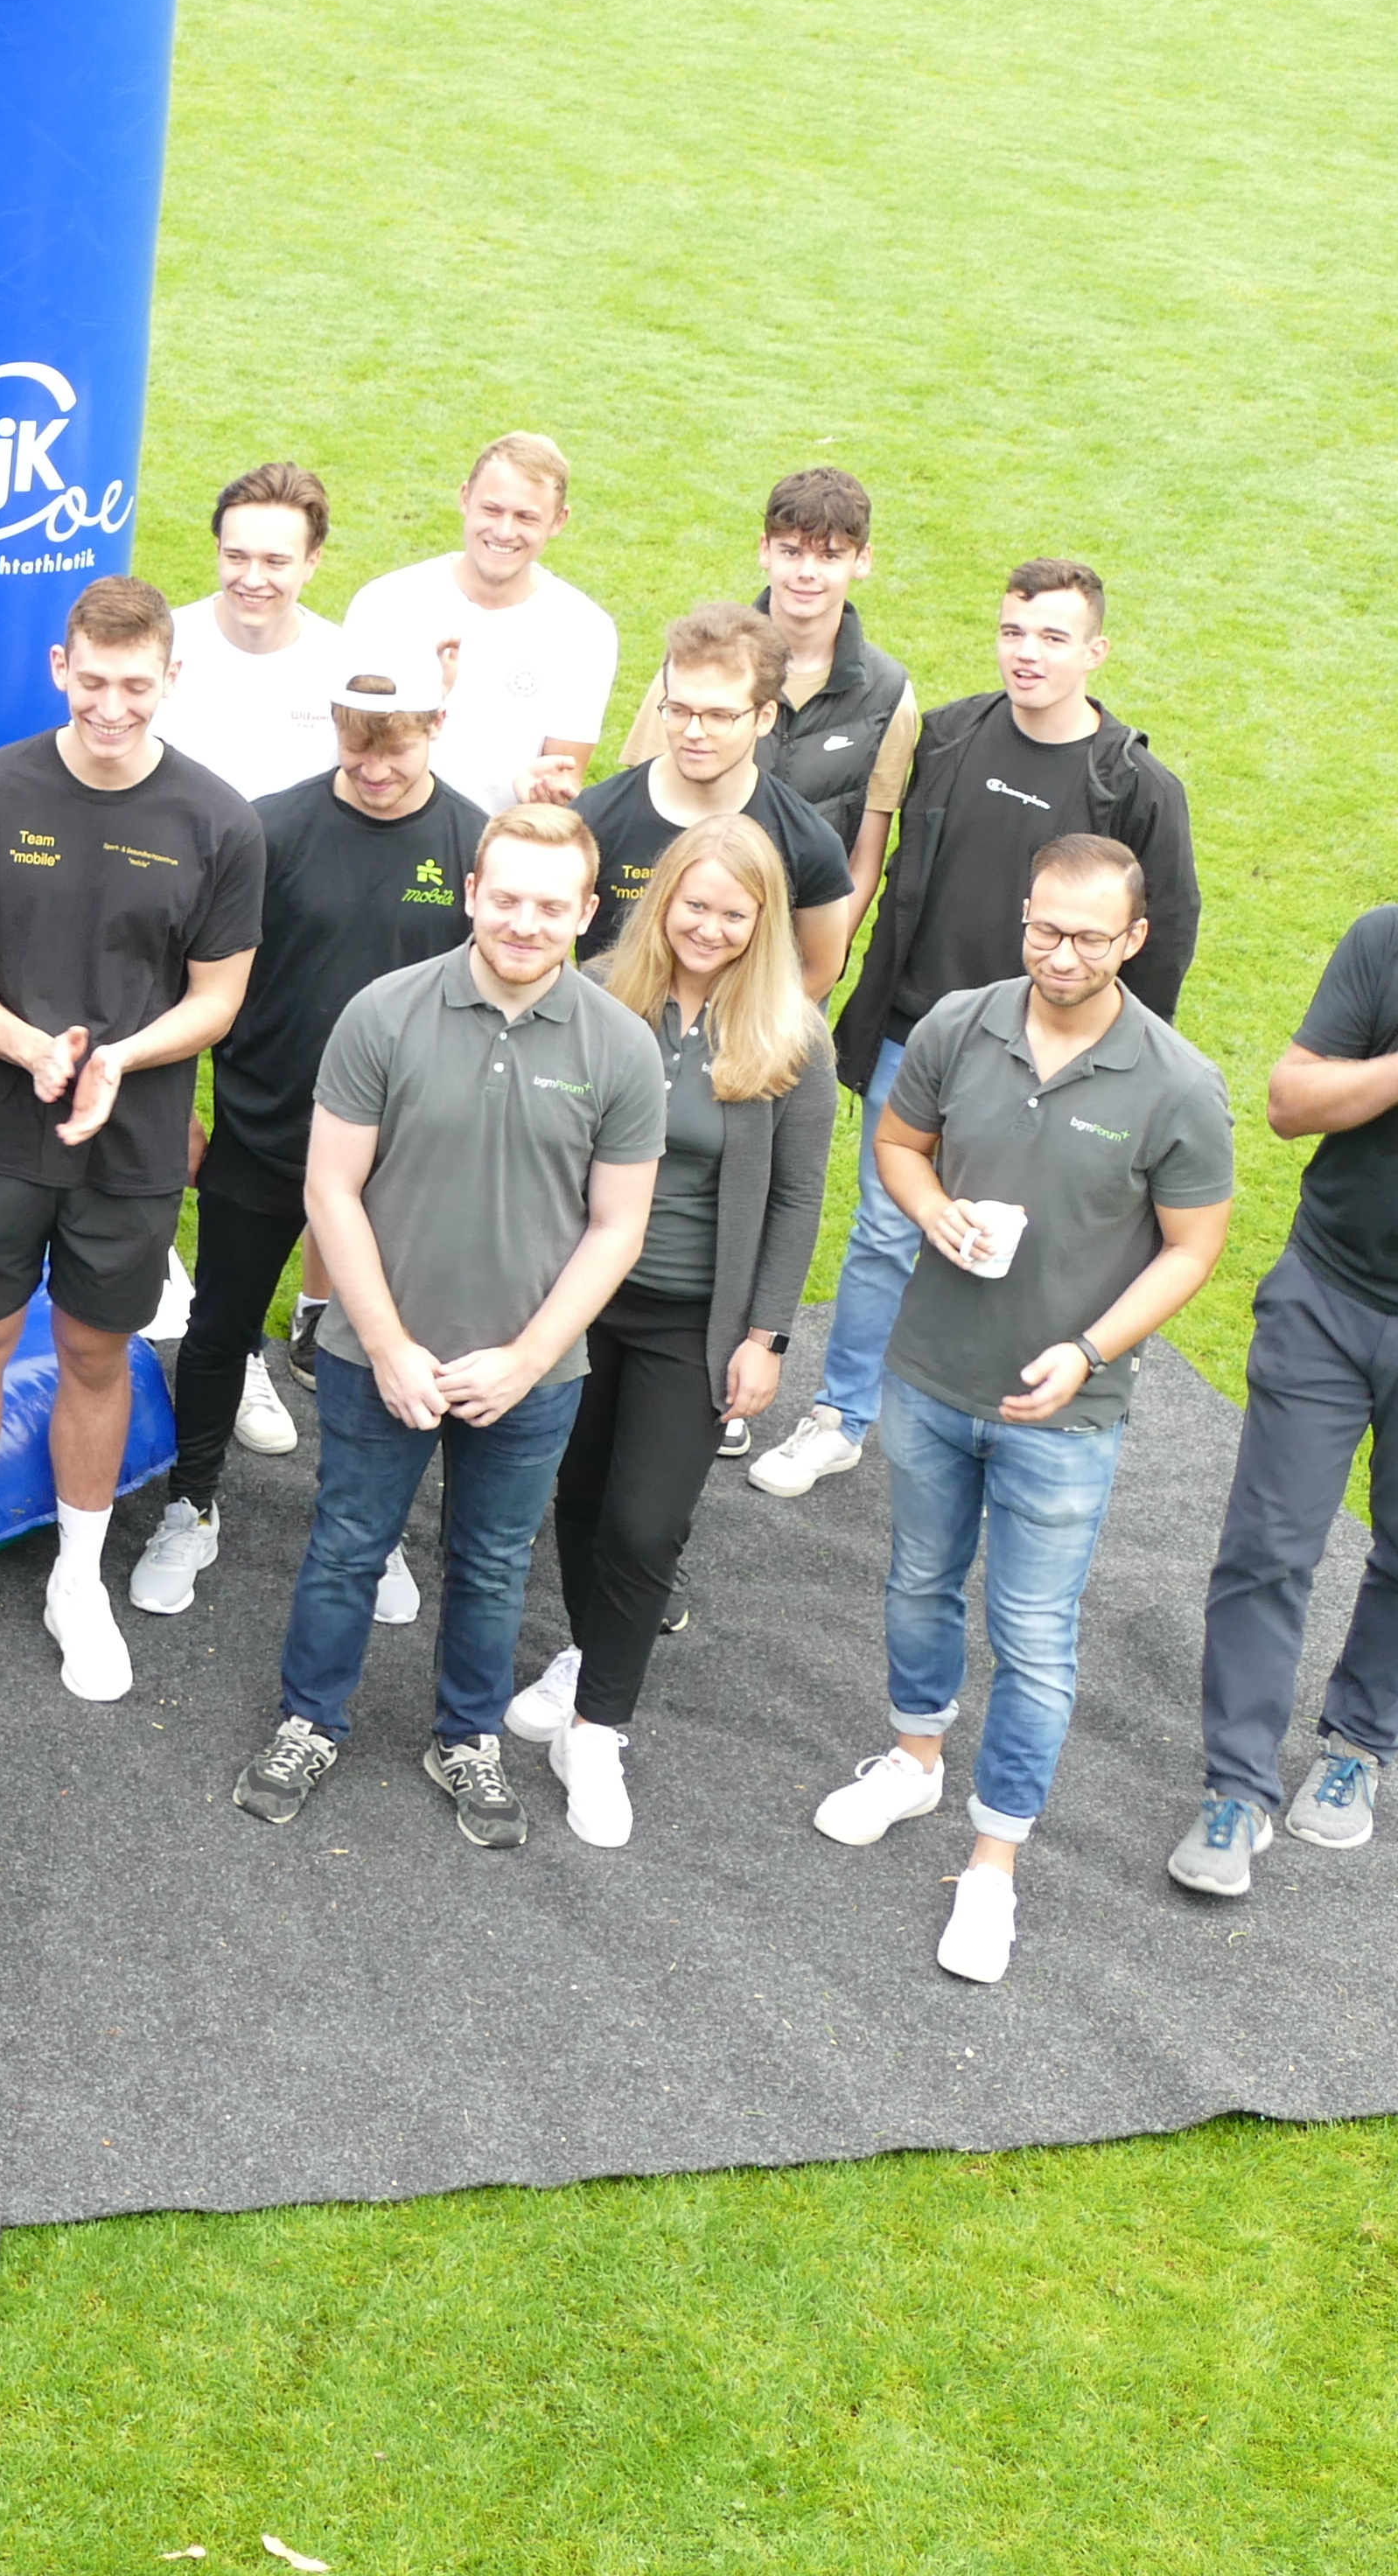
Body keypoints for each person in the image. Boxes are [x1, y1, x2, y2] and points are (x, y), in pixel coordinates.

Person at [809, 834, 1229, 1980]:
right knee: (917, 1581)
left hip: (1065, 1412)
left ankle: (993, 1867)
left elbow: (1195, 1249)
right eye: (1046, 927)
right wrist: (933, 1206)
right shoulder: (957, 1025)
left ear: (1135, 941)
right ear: (1023, 915)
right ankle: (913, 1759)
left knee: (1036, 1636)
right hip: (934, 1374)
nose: (1062, 953)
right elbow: (898, 1143)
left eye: (1092, 936)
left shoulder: (1177, 1083)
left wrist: (1089, 1351)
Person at [0, 577, 262, 1704]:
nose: (113, 705)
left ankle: (77, 1580)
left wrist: (119, 1061)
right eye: (93, 681)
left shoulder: (219, 821)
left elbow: (217, 998)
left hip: (128, 1144)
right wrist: (31, 1047)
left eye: (136, 685)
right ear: (57, 669)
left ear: (171, 679)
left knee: (95, 1353)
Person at [230, 804, 662, 1851]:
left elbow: (617, 1228)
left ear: (586, 915)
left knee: (492, 1560)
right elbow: (330, 1191)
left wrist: (526, 1357)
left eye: (549, 906)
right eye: (505, 897)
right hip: (378, 1353)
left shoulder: (621, 1046)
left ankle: (465, 1736)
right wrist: (383, 1344)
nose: (523, 921)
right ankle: (307, 1721)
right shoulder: (383, 1013)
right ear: (471, 893)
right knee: (344, 1546)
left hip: (530, 1369)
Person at [755, 559, 1202, 1501]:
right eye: (1012, 631)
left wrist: (1117, 1069)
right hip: (918, 1038)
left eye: (1050, 636)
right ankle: (840, 1415)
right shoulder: (951, 733)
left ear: (1095, 650)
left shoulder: (1137, 787)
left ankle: (1011, 1421)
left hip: (1052, 1064)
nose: (1025, 653)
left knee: (1022, 1243)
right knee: (884, 1231)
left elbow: (1160, 946)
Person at [495, 817, 833, 1846]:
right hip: (581, 1302)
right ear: (663, 902)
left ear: (761, 921)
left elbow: (795, 1198)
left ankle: (597, 1730)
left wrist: (765, 1336)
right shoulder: (595, 999)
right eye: (695, 906)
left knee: (646, 1524)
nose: (711, 928)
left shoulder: (790, 1038)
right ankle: (586, 1652)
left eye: (735, 914)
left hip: (694, 1319)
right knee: (580, 1497)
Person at [139, 643, 482, 1620]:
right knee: (217, 1331)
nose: (374, 769)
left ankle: (370, 1537)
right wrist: (184, 1111)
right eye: (356, 746)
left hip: (407, 1160)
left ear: (435, 731)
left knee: (387, 1344)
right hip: (265, 1130)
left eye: (397, 751)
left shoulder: (470, 844)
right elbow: (190, 984)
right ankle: (191, 1504)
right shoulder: (269, 829)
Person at [1174, 903, 1398, 1898]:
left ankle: (1359, 1740)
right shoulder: (1383, 939)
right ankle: (1236, 1788)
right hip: (1330, 1289)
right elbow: (1290, 1099)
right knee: (1269, 1545)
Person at [610, 464, 916, 884]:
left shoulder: (888, 691)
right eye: (791, 551)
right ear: (764, 551)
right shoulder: (692, 663)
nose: (807, 572)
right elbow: (637, 808)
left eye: (829, 556)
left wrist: (826, 944)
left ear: (862, 560)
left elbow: (865, 856)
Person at [570, 604, 859, 995]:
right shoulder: (595, 819)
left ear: (764, 717)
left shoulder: (808, 843)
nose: (693, 731)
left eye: (719, 716)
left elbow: (820, 968)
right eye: (678, 710)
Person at [337, 434, 618, 813]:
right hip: (388, 834)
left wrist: (545, 792)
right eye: (492, 509)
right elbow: (352, 742)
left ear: (559, 521)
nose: (504, 532)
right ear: (465, 497)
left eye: (526, 517)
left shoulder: (586, 632)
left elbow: (563, 775)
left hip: (499, 849)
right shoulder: (386, 603)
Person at [157, 461, 344, 800]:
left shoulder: (343, 663)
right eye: (237, 557)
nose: (253, 580)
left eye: (275, 562)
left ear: (312, 562)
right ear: (218, 550)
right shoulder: (161, 644)